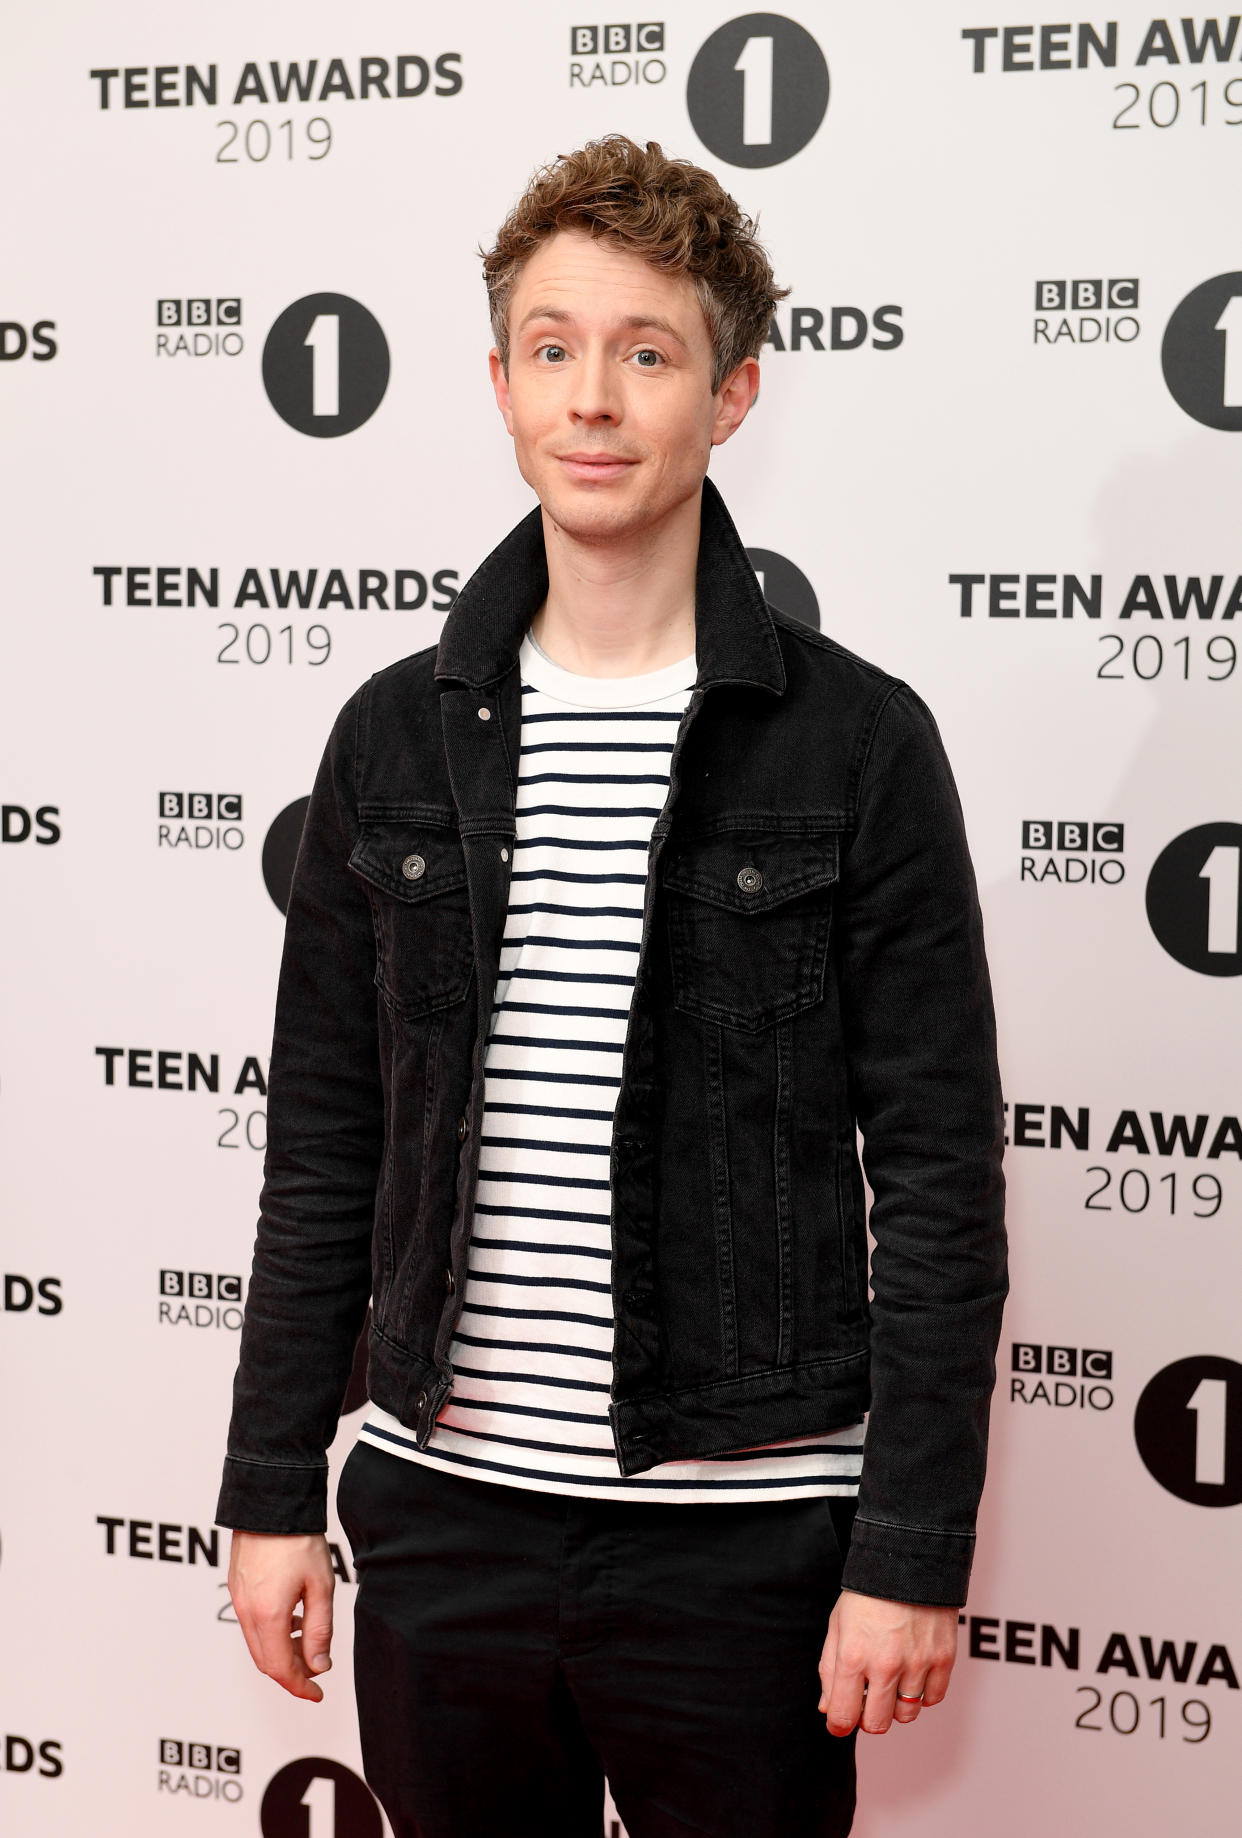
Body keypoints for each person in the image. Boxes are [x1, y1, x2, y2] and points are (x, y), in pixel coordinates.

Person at [216, 133, 1008, 1838]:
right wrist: (272, 1485)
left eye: (646, 352)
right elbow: (322, 1152)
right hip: (440, 1525)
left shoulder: (857, 743)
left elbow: (939, 1179)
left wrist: (908, 1551)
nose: (595, 397)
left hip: (744, 1549)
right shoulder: (388, 736)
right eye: (555, 348)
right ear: (500, 381)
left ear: (726, 397)